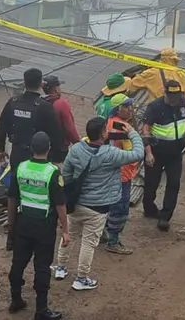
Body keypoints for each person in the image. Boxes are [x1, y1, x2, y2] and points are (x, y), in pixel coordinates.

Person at [56, 117, 144, 291]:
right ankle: (81, 278)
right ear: (103, 133)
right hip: (98, 207)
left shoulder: (76, 149)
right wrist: (132, 133)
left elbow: (65, 175)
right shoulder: (112, 154)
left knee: (69, 234)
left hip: (75, 204)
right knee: (89, 243)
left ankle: (60, 268)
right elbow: (138, 153)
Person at [7, 132, 68, 320]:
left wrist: (11, 224)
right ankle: (41, 309)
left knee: (18, 262)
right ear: (49, 149)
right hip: (44, 226)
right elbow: (60, 204)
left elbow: (12, 198)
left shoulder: (20, 168)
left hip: (23, 223)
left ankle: (16, 299)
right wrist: (65, 230)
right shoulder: (53, 172)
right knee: (42, 266)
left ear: (31, 148)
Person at [141, 78, 185, 231]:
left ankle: (165, 217)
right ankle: (149, 208)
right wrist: (148, 153)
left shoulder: (183, 103)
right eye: (171, 97)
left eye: (176, 97)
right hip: (156, 152)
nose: (174, 100)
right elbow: (146, 130)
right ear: (165, 94)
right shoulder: (155, 107)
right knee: (151, 183)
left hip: (175, 153)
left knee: (174, 183)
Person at [0, 68, 64, 167]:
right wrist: (56, 159)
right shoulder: (45, 106)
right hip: (38, 159)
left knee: (17, 177)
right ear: (41, 84)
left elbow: (1, 128)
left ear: (24, 82)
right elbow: (56, 135)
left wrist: (1, 149)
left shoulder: (13, 102)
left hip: (16, 155)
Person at [104, 94, 139, 254]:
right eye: (125, 106)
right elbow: (132, 153)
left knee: (108, 205)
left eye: (130, 106)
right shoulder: (121, 126)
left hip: (113, 172)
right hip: (122, 173)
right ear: (117, 109)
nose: (130, 109)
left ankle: (103, 234)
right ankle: (113, 241)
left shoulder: (110, 122)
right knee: (120, 208)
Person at [43, 75, 79, 162]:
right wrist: (78, 143)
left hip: (44, 147)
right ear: (55, 89)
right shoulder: (61, 104)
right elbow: (70, 128)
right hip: (60, 148)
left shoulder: (42, 102)